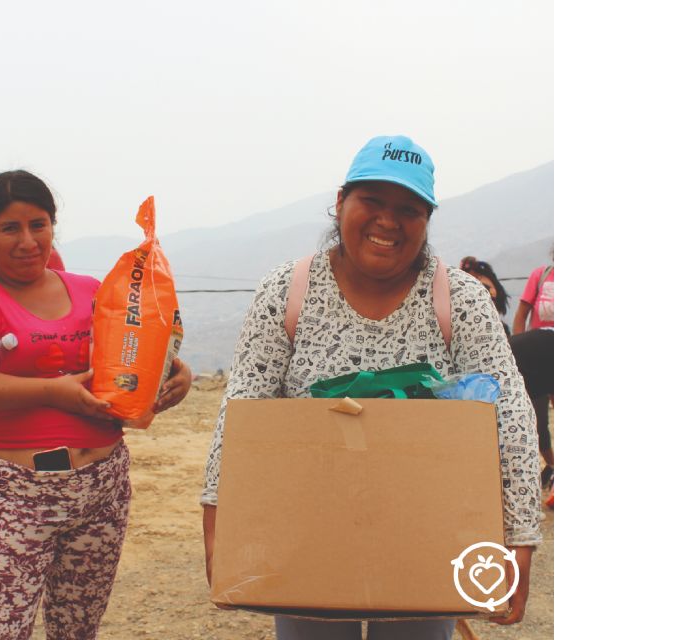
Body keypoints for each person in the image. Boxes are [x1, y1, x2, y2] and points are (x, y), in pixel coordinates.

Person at [201, 136, 541, 639]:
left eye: (408, 208)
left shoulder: (460, 300)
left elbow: (510, 415)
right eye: (372, 201)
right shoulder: (287, 291)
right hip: (305, 530)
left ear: (427, 220)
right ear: (341, 203)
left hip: (427, 532)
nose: (388, 220)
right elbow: (244, 408)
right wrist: (219, 526)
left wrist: (520, 540)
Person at [0, 170, 192, 640]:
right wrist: (54, 391)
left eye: (39, 224)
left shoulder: (91, 290)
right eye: (10, 228)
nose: (28, 240)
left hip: (101, 489)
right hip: (10, 494)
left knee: (76, 631)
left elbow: (129, 360)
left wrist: (176, 377)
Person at [511, 250, 555, 489]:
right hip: (534, 356)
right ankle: (549, 467)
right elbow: (521, 315)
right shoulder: (542, 276)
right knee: (534, 420)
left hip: (553, 355)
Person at [460, 256, 512, 336]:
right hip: (495, 323)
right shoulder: (487, 278)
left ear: (470, 271)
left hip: (490, 326)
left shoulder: (479, 285)